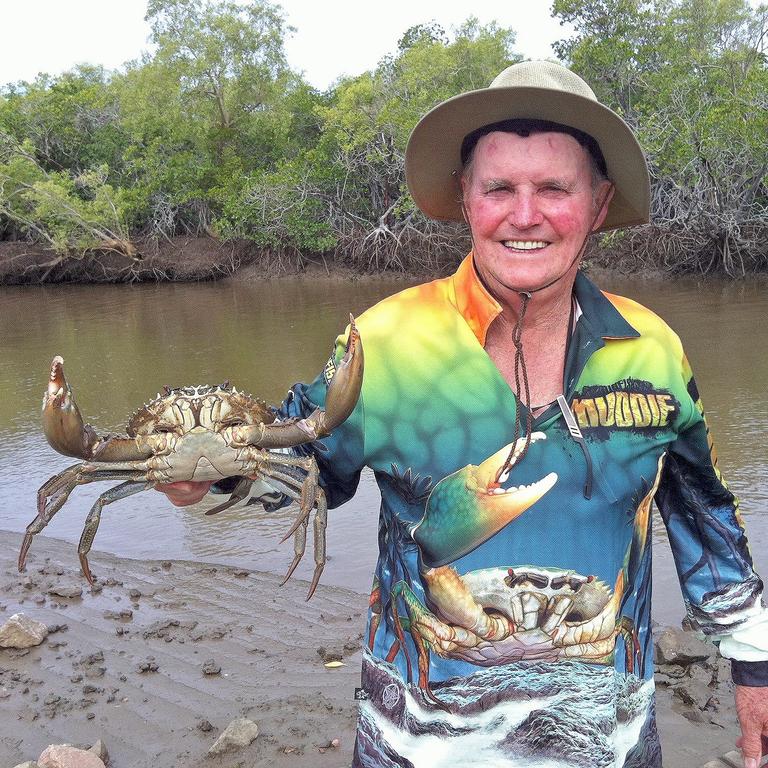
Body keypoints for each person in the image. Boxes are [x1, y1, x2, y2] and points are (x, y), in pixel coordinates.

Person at [157, 61, 768, 768]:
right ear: (465, 198)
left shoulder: (653, 349)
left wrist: (755, 669)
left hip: (611, 746)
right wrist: (209, 479)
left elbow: (706, 519)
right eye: (500, 188)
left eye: (554, 189)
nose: (525, 214)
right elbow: (307, 466)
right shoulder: (383, 344)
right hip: (417, 746)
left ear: (598, 205)